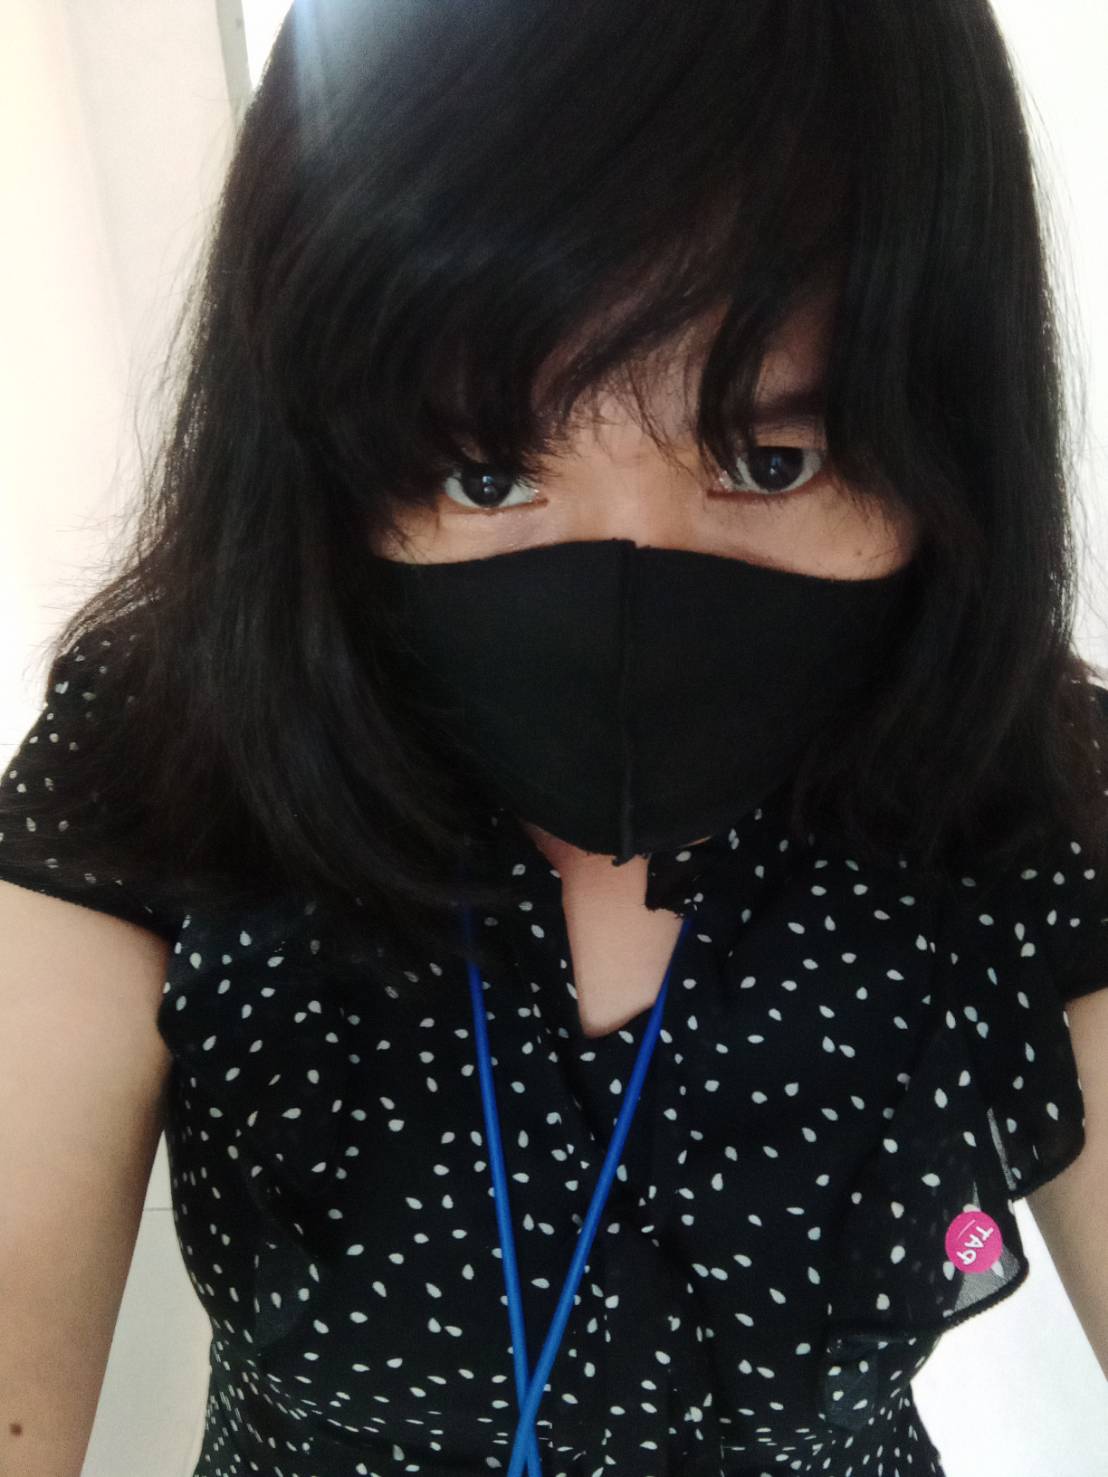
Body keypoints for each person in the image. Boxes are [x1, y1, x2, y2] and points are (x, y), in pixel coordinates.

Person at [1, 2, 1106, 1474]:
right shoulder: (169, 730)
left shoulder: (1022, 772)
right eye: (484, 471)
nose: (625, 594)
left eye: (770, 457)